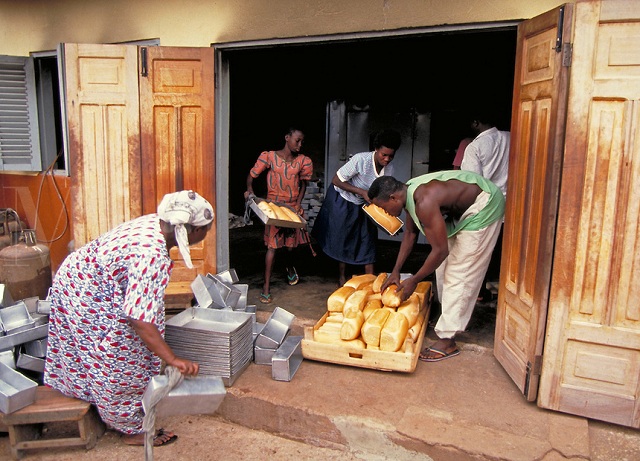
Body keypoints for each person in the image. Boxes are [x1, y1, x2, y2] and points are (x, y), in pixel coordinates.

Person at [44, 190, 214, 447]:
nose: (207, 233)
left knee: (112, 349)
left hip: (83, 277)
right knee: (122, 355)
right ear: (190, 230)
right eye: (205, 229)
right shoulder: (152, 255)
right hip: (86, 288)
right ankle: (130, 427)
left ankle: (101, 400)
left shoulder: (157, 222)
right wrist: (172, 358)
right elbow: (139, 319)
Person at [368, 171, 505, 362]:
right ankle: (447, 318)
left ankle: (448, 339)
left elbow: (440, 251)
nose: (386, 212)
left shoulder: (423, 201)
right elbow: (410, 233)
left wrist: (414, 280)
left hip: (485, 205)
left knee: (459, 272)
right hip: (464, 208)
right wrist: (396, 271)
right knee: (442, 268)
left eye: (384, 207)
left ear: (393, 197)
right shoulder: (407, 193)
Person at [312, 129, 401, 286]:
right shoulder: (361, 160)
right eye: (384, 155)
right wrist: (362, 192)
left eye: (391, 156)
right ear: (376, 149)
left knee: (368, 239)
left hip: (364, 204)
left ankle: (372, 281)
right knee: (343, 237)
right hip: (343, 199)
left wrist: (390, 223)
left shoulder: (389, 169)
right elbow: (336, 180)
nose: (387, 159)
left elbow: (383, 196)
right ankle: (342, 277)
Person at [244, 126, 313, 304]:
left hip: (290, 208)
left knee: (290, 247)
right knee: (272, 247)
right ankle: (266, 288)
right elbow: (252, 176)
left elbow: (303, 184)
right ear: (286, 138)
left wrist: (298, 204)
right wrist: (249, 191)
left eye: (302, 142)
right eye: (297, 140)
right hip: (273, 207)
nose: (300, 144)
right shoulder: (270, 157)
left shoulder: (303, 161)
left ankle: (289, 266)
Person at [460, 111, 510, 198]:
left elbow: (473, 182)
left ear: (476, 123)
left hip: (490, 202)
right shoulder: (510, 137)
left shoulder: (474, 147)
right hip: (515, 200)